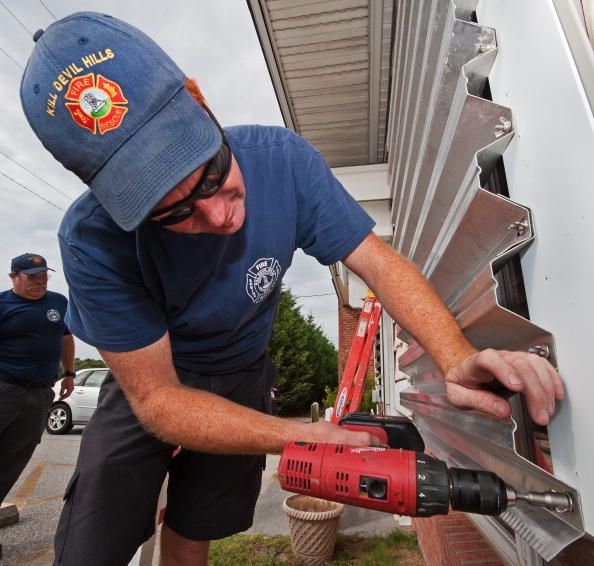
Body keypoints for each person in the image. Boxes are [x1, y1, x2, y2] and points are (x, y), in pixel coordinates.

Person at [19, 12, 564, 566]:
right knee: (93, 543)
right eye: (173, 210)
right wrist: (297, 435)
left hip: (242, 374)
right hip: (152, 380)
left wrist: (455, 358)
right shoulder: (91, 241)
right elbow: (158, 399)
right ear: (106, 196)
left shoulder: (284, 164)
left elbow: (378, 264)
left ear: (198, 98)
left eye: (210, 172)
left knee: (193, 527)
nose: (217, 213)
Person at [0, 254, 75, 508]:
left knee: (14, 459)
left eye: (44, 276)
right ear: (14, 276)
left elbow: (65, 338)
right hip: (5, 388)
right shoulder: (2, 304)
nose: (40, 282)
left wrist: (70, 373)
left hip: (41, 394)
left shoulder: (58, 302)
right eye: (32, 277)